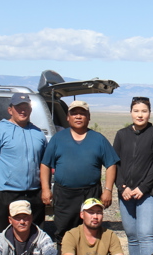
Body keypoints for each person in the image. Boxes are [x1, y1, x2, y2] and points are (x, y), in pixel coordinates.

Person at [42, 100, 120, 242]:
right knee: (64, 232)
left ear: (88, 117)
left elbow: (111, 164)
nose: (78, 116)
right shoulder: (58, 138)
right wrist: (46, 189)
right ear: (68, 117)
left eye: (82, 113)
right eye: (74, 113)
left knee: (91, 230)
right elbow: (45, 164)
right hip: (65, 194)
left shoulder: (98, 139)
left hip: (90, 192)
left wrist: (108, 190)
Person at [0, 93, 49, 244]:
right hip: (7, 193)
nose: (23, 111)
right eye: (19, 107)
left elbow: (46, 164)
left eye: (26, 107)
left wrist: (46, 188)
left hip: (33, 193)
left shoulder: (38, 133)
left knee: (34, 235)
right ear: (10, 110)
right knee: (0, 235)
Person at [112, 96, 153, 255]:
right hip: (126, 194)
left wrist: (142, 187)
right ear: (130, 112)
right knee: (132, 235)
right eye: (136, 111)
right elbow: (116, 163)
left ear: (150, 113)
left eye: (144, 111)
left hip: (148, 193)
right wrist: (122, 187)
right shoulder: (121, 135)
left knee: (145, 234)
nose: (140, 115)